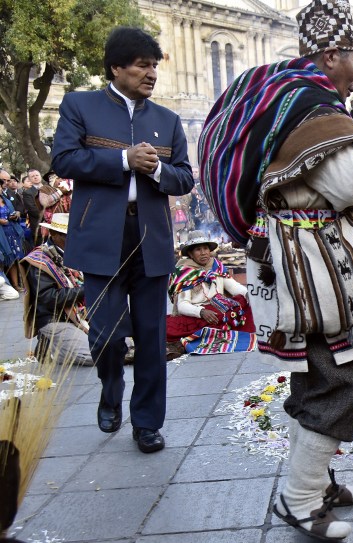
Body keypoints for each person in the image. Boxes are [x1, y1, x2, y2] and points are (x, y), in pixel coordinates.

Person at [198, 1, 353, 539]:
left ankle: (316, 481)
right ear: (331, 54)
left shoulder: (276, 90)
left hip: (295, 264)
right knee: (339, 380)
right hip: (314, 270)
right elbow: (349, 185)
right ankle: (299, 500)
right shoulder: (312, 105)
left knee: (317, 373)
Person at [51, 27, 195, 454]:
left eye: (154, 66)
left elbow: (184, 176)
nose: (151, 74)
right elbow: (63, 159)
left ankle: (147, 423)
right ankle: (110, 390)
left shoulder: (167, 121)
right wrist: (122, 159)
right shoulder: (81, 105)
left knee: (152, 337)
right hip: (100, 238)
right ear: (116, 67)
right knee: (105, 335)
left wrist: (155, 171)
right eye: (141, 65)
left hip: (151, 239)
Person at [166, 231, 255, 357]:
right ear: (190, 253)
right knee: (168, 329)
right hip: (197, 314)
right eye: (198, 249)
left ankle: (216, 333)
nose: (203, 253)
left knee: (244, 303)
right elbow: (182, 305)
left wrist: (249, 295)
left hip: (219, 309)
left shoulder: (216, 267)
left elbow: (233, 286)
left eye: (205, 248)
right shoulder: (184, 273)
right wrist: (201, 312)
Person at [20, 213, 93, 366]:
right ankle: (54, 347)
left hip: (78, 314)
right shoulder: (40, 260)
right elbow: (48, 298)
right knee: (96, 355)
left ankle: (59, 345)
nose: (72, 239)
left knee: (119, 341)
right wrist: (87, 289)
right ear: (53, 234)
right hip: (54, 318)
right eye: (66, 236)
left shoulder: (70, 253)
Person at [0, 189, 25, 292]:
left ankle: (18, 284)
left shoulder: (6, 200)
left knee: (15, 258)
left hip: (12, 231)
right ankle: (7, 285)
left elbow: (13, 211)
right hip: (2, 234)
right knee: (5, 259)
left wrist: (15, 215)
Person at [22, 169, 44, 245]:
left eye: (37, 175)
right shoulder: (27, 193)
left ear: (40, 176)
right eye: (32, 176)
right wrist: (49, 215)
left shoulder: (48, 188)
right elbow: (33, 210)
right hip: (39, 226)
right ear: (30, 179)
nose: (35, 177)